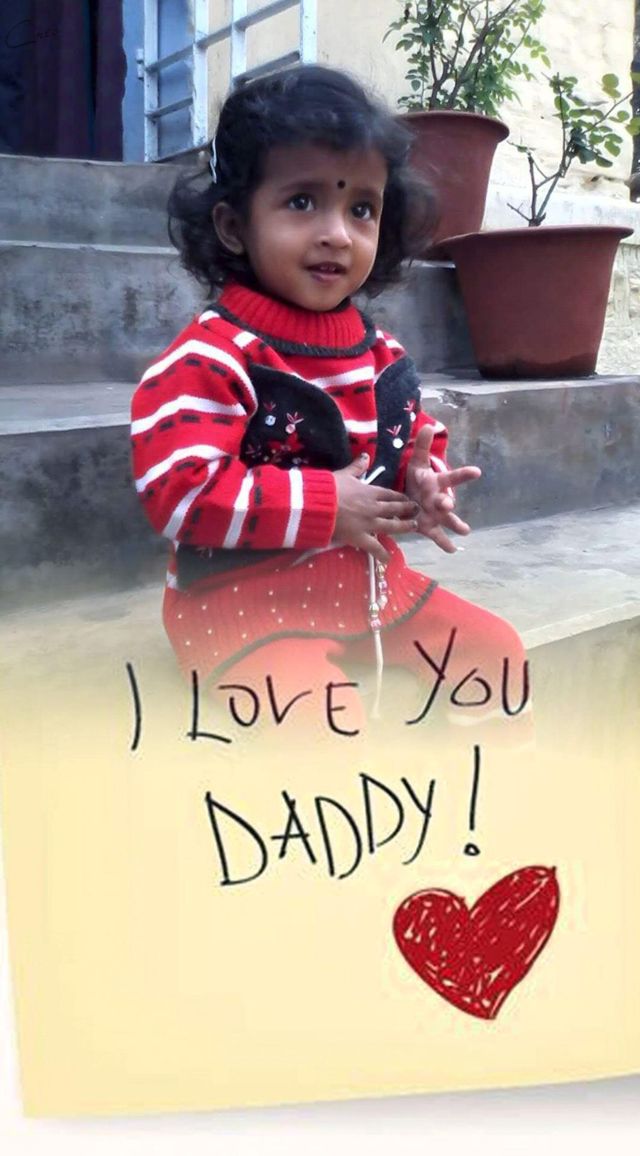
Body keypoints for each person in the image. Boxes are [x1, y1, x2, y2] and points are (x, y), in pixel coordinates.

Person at [131, 65, 528, 739]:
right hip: (239, 603)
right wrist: (325, 505)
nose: (338, 233)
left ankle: (483, 790)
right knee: (321, 716)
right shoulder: (211, 357)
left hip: (369, 588)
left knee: (500, 657)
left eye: (361, 209)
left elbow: (408, 439)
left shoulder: (381, 354)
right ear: (233, 226)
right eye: (301, 202)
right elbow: (180, 492)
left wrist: (421, 483)